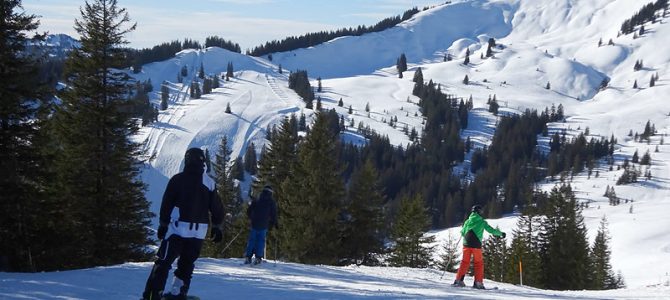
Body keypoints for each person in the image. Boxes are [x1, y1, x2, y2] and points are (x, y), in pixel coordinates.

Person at [143, 148, 224, 300]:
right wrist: (217, 227)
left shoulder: (178, 179)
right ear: (202, 162)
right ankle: (178, 293)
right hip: (198, 231)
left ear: (187, 160)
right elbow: (217, 207)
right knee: (186, 264)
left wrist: (163, 224)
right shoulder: (209, 183)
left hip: (178, 229)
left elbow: (166, 203)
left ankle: (153, 295)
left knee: (163, 262)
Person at [452, 205, 506, 289]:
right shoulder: (482, 221)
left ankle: (459, 280)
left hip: (466, 244)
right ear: (479, 212)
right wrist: (501, 234)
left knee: (464, 262)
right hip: (476, 245)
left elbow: (462, 232)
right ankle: (478, 282)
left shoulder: (467, 221)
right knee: (478, 263)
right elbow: (491, 230)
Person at [244, 185, 278, 265]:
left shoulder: (257, 199)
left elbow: (249, 210)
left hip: (254, 223)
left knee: (252, 240)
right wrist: (274, 223)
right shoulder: (271, 201)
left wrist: (251, 218)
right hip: (264, 224)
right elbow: (273, 214)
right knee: (261, 240)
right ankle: (258, 258)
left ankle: (248, 257)